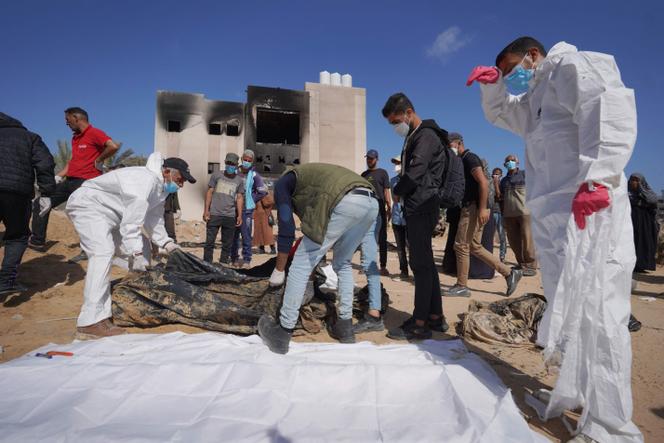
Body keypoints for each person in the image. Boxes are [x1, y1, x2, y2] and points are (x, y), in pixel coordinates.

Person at [468, 36, 642, 442]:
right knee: (570, 313)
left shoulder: (572, 66)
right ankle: (581, 397)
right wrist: (493, 86)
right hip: (554, 216)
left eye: (513, 69)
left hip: (590, 206)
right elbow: (505, 116)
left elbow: (607, 106)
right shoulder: (536, 97)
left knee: (599, 314)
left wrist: (600, 177)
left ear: (533, 55)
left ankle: (612, 425)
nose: (514, 77)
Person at [66, 153, 195, 338]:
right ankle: (90, 322)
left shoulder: (161, 189)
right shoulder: (144, 181)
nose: (180, 185)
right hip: (89, 205)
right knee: (102, 252)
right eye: (179, 179)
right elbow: (131, 224)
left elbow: (154, 220)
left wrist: (167, 244)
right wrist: (135, 254)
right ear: (166, 172)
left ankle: (128, 295)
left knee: (142, 244)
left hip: (113, 216)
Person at [258, 163, 378, 354]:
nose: (268, 205)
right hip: (371, 203)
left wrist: (279, 270)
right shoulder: (309, 183)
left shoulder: (282, 184)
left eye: (267, 201)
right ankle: (344, 327)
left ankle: (282, 332)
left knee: (300, 263)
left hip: (343, 199)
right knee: (343, 262)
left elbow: (287, 230)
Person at [381, 93, 448, 340]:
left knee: (420, 265)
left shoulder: (426, 136)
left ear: (409, 112)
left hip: (422, 205)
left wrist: (398, 192)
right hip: (420, 204)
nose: (394, 127)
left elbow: (417, 171)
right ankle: (435, 317)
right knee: (427, 264)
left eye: (395, 121)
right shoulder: (415, 136)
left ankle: (419, 322)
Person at [29, 107, 120, 252]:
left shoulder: (94, 133)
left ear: (77, 118)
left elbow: (113, 146)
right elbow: (73, 161)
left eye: (67, 119)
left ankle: (90, 249)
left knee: (85, 216)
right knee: (41, 202)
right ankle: (37, 241)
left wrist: (99, 159)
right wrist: (59, 176)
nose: (66, 123)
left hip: (86, 183)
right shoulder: (75, 138)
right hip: (70, 181)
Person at [444, 132, 522, 297]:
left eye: (450, 144)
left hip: (472, 207)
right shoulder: (462, 160)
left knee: (461, 245)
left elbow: (483, 182)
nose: (449, 148)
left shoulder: (470, 158)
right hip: (472, 206)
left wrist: (483, 208)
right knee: (474, 246)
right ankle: (509, 273)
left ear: (458, 143)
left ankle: (462, 285)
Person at [0, 113, 56, 296]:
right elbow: (45, 163)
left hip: (16, 189)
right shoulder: (30, 137)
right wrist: (47, 193)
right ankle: (6, 281)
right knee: (17, 236)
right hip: (17, 192)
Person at [500, 155, 537, 276]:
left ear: (517, 162)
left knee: (527, 239)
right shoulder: (503, 181)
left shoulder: (525, 175)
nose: (510, 162)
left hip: (524, 212)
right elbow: (501, 198)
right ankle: (521, 264)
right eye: (508, 161)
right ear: (504, 164)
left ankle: (530, 265)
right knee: (514, 241)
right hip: (509, 214)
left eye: (512, 160)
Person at [203, 153, 244, 265]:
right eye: (228, 163)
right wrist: (206, 210)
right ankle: (206, 264)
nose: (230, 166)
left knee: (227, 244)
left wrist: (239, 215)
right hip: (214, 214)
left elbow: (240, 198)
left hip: (230, 216)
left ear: (236, 165)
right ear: (225, 162)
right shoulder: (216, 175)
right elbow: (210, 192)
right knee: (209, 243)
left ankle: (223, 264)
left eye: (233, 164)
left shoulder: (239, 181)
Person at [231, 149, 268, 268]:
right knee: (233, 235)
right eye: (245, 159)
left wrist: (252, 199)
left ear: (252, 162)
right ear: (242, 159)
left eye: (249, 160)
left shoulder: (254, 175)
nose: (246, 162)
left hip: (246, 210)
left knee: (246, 235)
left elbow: (262, 191)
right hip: (232, 208)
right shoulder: (235, 172)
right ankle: (234, 258)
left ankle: (247, 259)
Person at [361, 149, 392, 275]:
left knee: (382, 238)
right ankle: (366, 265)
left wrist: (389, 206)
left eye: (371, 158)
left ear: (377, 159)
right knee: (366, 238)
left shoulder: (383, 173)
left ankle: (383, 266)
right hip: (366, 211)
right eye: (368, 158)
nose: (369, 160)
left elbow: (386, 190)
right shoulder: (363, 175)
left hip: (380, 209)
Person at [629, 173, 659, 272]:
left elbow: (653, 201)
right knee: (631, 242)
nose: (634, 182)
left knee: (644, 243)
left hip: (645, 224)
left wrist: (641, 194)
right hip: (631, 222)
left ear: (641, 182)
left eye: (636, 180)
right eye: (632, 180)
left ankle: (642, 265)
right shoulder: (626, 194)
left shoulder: (647, 192)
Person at [389, 156, 409, 280]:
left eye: (398, 162)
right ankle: (404, 272)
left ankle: (418, 273)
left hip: (409, 218)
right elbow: (394, 198)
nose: (396, 165)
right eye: (395, 163)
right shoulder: (393, 181)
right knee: (400, 248)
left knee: (412, 246)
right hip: (397, 217)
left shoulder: (411, 179)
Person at [253, 189, 276, 255]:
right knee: (259, 233)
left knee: (268, 233)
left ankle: (273, 249)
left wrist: (263, 197)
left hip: (266, 216)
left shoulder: (266, 194)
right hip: (258, 216)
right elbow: (255, 206)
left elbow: (269, 203)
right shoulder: (257, 195)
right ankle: (261, 249)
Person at [491, 167, 507, 262]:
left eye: (498, 174)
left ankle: (502, 256)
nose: (496, 175)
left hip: (500, 212)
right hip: (490, 212)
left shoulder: (502, 185)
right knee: (489, 235)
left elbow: (499, 196)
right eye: (494, 174)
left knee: (502, 236)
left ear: (501, 175)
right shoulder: (489, 183)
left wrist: (496, 183)